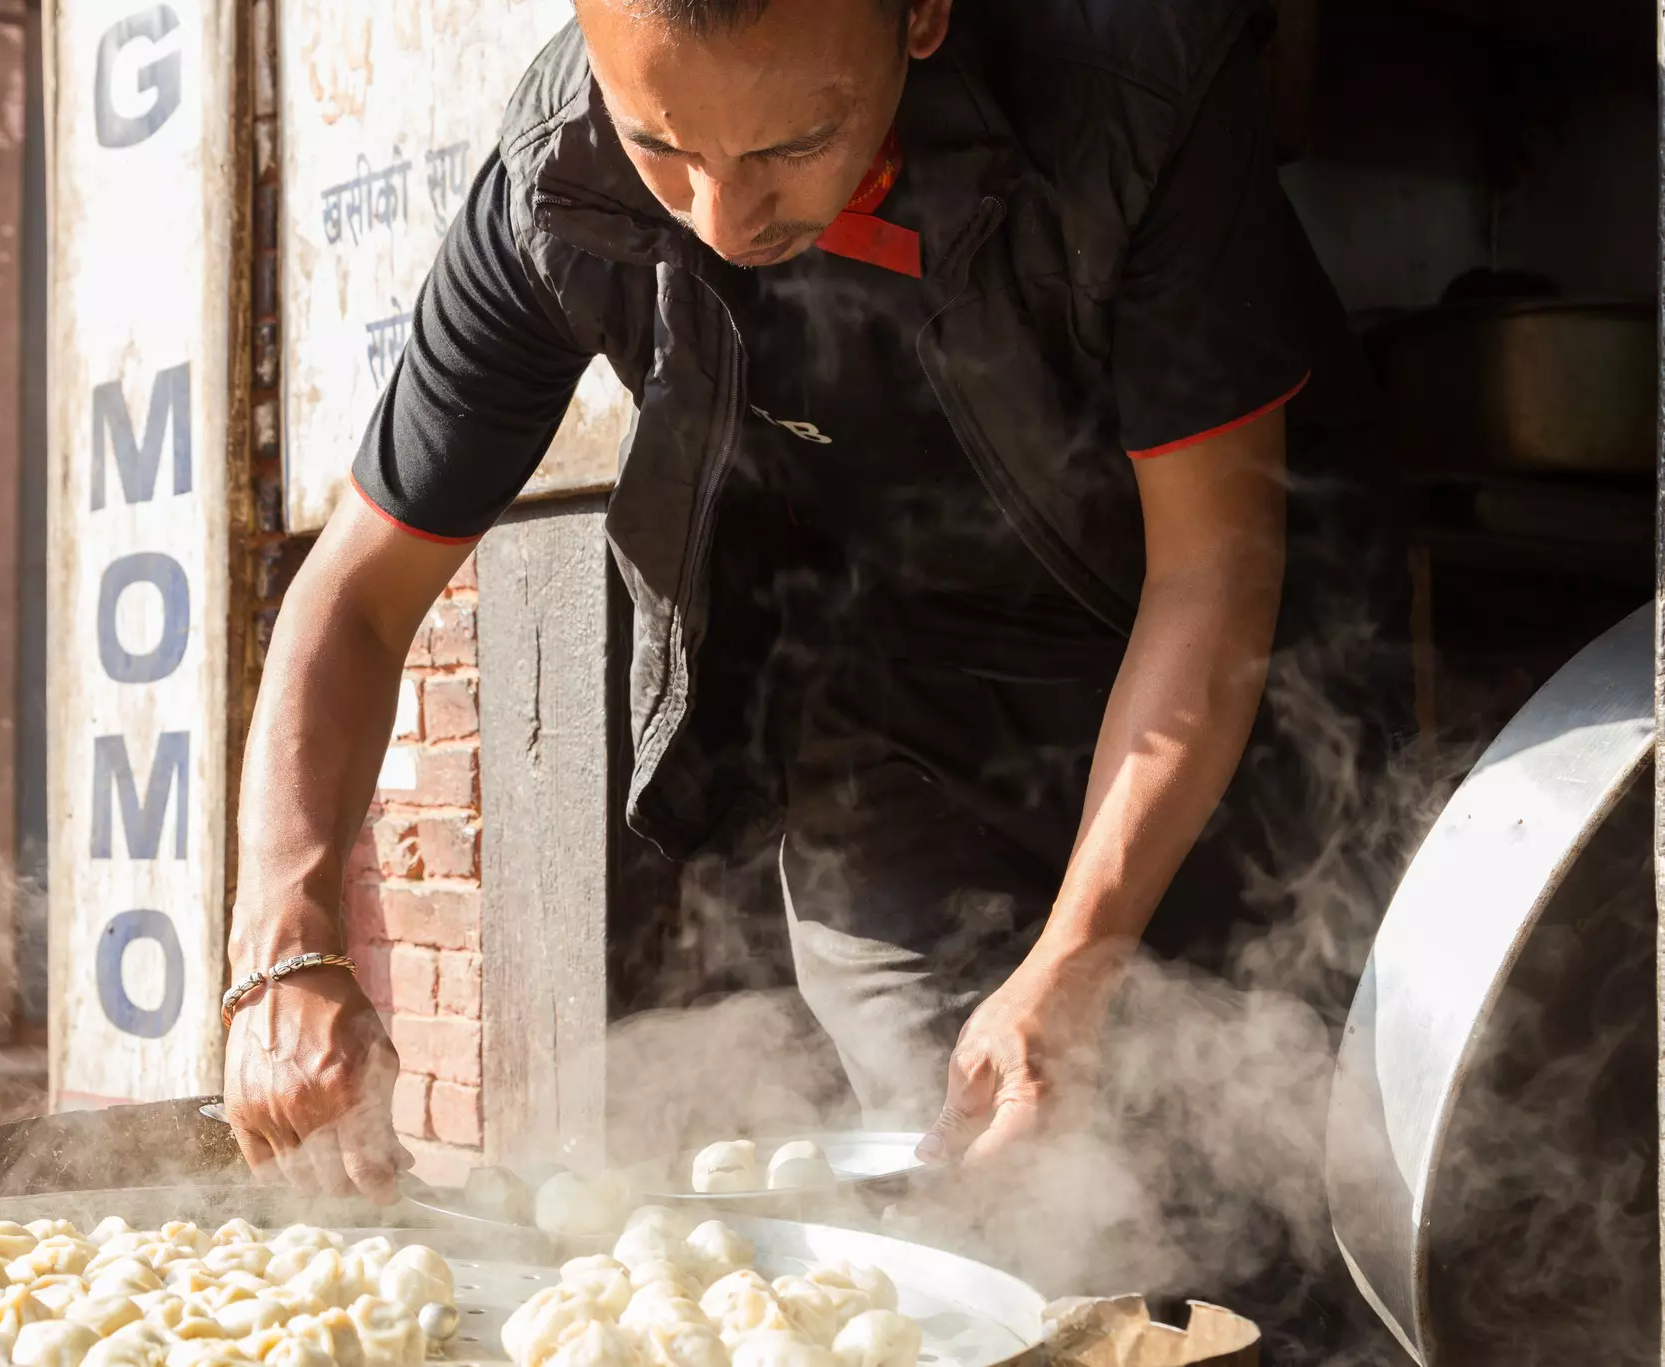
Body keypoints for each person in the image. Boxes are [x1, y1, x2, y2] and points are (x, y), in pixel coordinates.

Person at [223, 0, 1405, 1250]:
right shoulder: (555, 175)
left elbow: (1210, 581)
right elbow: (354, 594)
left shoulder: (1130, 95)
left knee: (1272, 1191)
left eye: (792, 146)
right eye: (662, 147)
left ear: (923, 14)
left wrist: (1082, 947)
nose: (723, 222)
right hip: (893, 713)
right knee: (988, 1193)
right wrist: (282, 947)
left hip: (1221, 686)